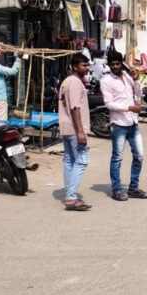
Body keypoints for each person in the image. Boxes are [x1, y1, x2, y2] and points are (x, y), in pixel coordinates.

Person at [100, 51, 147, 202]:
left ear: (121, 63)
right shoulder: (106, 80)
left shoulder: (128, 76)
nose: (115, 66)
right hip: (119, 124)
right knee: (117, 158)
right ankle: (116, 189)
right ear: (109, 65)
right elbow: (109, 104)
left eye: (117, 63)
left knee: (139, 156)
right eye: (112, 64)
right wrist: (129, 108)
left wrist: (136, 80)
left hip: (133, 122)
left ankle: (133, 188)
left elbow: (138, 94)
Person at [58, 52, 92, 211]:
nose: (87, 68)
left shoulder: (66, 82)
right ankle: (71, 197)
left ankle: (70, 194)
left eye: (87, 65)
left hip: (66, 127)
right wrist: (80, 132)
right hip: (74, 128)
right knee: (82, 160)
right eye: (83, 65)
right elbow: (75, 108)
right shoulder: (74, 82)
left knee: (69, 161)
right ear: (74, 67)